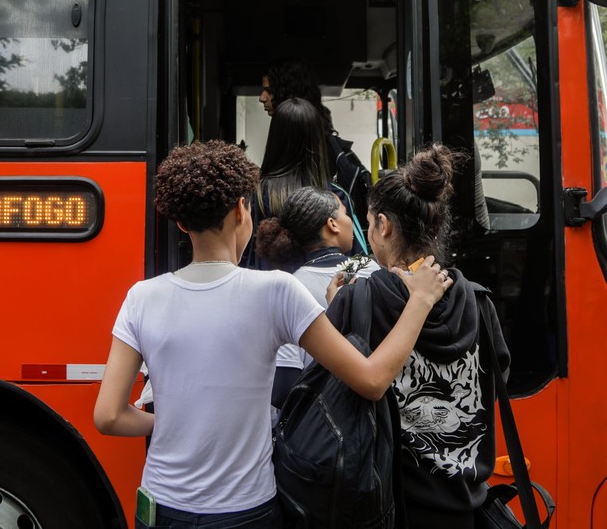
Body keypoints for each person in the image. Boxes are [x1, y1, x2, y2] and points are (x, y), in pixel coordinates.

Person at [93, 140, 452, 529]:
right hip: (246, 511)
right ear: (239, 210)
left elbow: (109, 416)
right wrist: (420, 301)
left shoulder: (142, 297)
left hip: (162, 507)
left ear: (181, 222)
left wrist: (167, 423)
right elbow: (371, 380)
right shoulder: (276, 291)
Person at [324, 143, 511, 529]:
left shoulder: (360, 299)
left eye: (369, 222)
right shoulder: (479, 301)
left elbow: (330, 399)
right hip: (465, 508)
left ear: (384, 226)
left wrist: (334, 309)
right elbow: (495, 382)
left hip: (389, 508)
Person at [255, 185, 381, 407]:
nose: (351, 221)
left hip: (320, 428)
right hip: (378, 411)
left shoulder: (290, 286)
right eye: (344, 213)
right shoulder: (371, 270)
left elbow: (283, 389)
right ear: (332, 224)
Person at [244, 97, 367, 268]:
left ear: (274, 140)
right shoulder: (336, 196)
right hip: (327, 293)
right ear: (318, 142)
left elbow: (243, 256)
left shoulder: (254, 196)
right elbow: (358, 260)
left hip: (266, 293)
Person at [260, 58, 372, 226]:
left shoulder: (263, 196)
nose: (262, 98)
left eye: (269, 90)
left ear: (287, 95)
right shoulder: (337, 193)